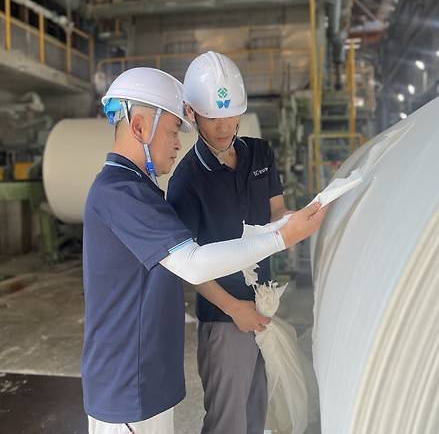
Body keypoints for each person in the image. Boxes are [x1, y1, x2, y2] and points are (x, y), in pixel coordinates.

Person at [81, 66, 327, 434]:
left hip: (143, 373)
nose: (178, 143)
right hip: (126, 381)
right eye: (172, 131)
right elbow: (193, 264)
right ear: (139, 128)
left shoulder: (140, 189)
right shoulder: (121, 193)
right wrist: (282, 238)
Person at [167, 51, 288, 434]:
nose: (224, 126)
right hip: (224, 318)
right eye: (213, 116)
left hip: (264, 305)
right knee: (227, 421)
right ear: (191, 113)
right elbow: (187, 264)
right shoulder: (187, 181)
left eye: (231, 114)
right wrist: (236, 309)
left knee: (256, 410)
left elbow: (278, 216)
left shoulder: (260, 154)